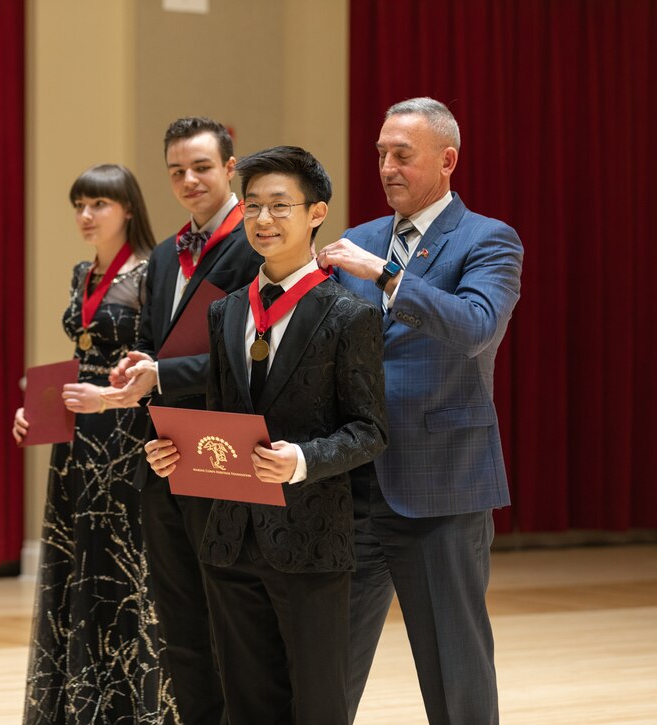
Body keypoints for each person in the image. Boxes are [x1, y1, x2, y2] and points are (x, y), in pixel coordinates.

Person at [144, 146, 388, 724]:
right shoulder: (226, 312)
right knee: (248, 703)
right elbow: (220, 416)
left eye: (280, 206)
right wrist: (176, 450)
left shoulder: (348, 315)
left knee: (317, 705)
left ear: (316, 213)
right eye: (253, 206)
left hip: (310, 541)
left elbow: (370, 430)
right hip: (230, 538)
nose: (262, 220)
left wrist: (302, 459)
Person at [319, 97, 524, 724]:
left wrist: (386, 277)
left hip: (441, 487)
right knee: (325, 663)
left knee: (454, 666)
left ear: (447, 160)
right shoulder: (357, 239)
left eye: (401, 155)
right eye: (380, 154)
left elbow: (476, 327)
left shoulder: (487, 239)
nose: (386, 167)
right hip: (353, 484)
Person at [103, 117, 262, 725]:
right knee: (179, 617)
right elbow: (154, 339)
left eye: (201, 167)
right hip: (164, 445)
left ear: (229, 167)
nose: (188, 180)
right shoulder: (167, 252)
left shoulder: (255, 241)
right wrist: (140, 364)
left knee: (230, 610)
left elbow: (253, 349)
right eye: (176, 171)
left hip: (225, 445)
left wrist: (163, 374)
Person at [14, 164, 177, 724]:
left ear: (127, 208)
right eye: (80, 204)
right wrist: (33, 410)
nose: (86, 216)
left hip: (124, 431)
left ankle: (131, 707)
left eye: (99, 205)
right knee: (77, 556)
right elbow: (80, 360)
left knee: (124, 564)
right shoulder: (83, 272)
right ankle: (83, 702)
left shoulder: (151, 271)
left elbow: (150, 356)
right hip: (77, 436)